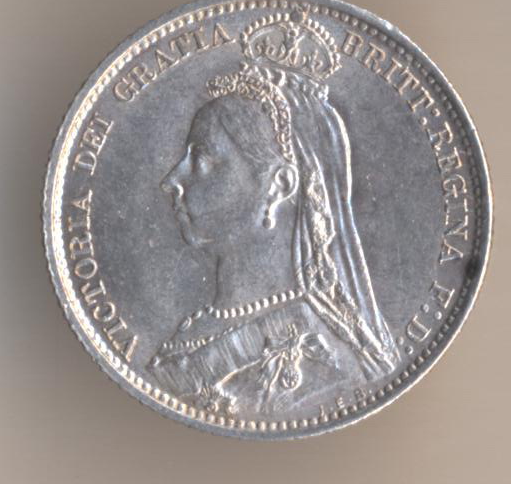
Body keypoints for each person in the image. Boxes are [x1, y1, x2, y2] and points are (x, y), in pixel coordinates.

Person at [148, 21, 399, 416]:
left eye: (203, 159)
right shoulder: (196, 328)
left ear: (279, 185)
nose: (171, 180)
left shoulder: (322, 362)